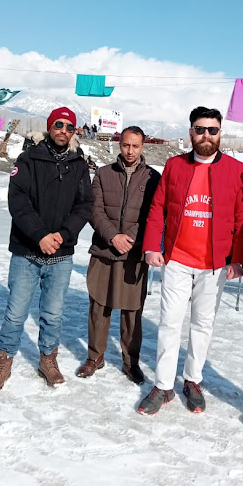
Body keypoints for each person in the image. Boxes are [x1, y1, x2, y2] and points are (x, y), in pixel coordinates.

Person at [137, 106, 243, 415]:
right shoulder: (174, 166)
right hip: (176, 259)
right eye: (200, 129)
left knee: (202, 324)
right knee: (169, 323)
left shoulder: (236, 169)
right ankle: (163, 386)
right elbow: (157, 209)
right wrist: (151, 246)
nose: (206, 135)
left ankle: (192, 380)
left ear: (220, 133)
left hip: (214, 265)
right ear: (190, 132)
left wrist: (240, 259)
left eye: (212, 130)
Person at [0, 107, 93, 391]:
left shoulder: (78, 164)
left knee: (53, 313)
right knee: (16, 312)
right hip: (26, 251)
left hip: (61, 253)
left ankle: (48, 359)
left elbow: (84, 205)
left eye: (70, 128)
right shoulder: (28, 159)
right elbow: (18, 203)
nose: (64, 131)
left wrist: (63, 234)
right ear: (50, 126)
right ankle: (3, 360)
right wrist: (40, 235)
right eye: (59, 125)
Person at [76, 126, 160, 384]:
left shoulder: (153, 178)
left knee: (132, 311)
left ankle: (130, 361)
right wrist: (112, 236)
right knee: (99, 306)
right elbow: (94, 209)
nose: (130, 151)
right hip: (104, 250)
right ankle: (95, 357)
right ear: (119, 145)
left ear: (143, 146)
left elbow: (152, 215)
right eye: (126, 145)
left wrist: (130, 239)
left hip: (133, 255)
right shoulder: (102, 174)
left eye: (135, 146)